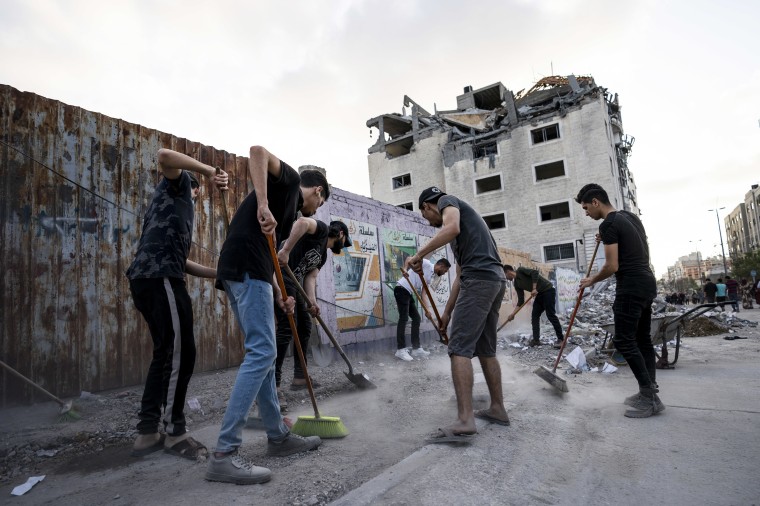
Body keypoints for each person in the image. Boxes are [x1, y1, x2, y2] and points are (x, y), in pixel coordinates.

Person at [205, 146, 328, 485]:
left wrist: (279, 292)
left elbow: (270, 252)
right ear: (318, 191)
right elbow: (257, 151)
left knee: (263, 352)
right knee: (263, 352)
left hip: (247, 270)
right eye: (321, 202)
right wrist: (261, 203)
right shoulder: (288, 184)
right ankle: (224, 454)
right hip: (246, 268)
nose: (317, 208)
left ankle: (277, 436)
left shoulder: (286, 213)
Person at [126, 148, 228, 459]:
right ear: (194, 188)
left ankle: (147, 433)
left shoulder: (166, 209)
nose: (197, 200)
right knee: (182, 354)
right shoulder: (179, 186)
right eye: (198, 195)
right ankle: (174, 432)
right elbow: (164, 155)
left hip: (151, 278)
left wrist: (219, 273)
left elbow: (181, 261)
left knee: (166, 354)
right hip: (161, 279)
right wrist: (210, 171)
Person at [406, 186, 509, 440]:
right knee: (485, 350)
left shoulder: (448, 202)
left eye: (426, 217)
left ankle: (465, 420)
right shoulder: (465, 231)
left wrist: (419, 254)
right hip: (493, 281)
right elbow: (460, 276)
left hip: (480, 281)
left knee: (459, 349)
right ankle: (497, 409)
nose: (430, 222)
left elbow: (450, 228)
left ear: (428, 206)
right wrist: (447, 314)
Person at [575, 184, 664, 418]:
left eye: (586, 208)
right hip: (646, 282)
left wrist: (591, 280)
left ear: (596, 202)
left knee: (624, 341)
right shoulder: (628, 217)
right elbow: (632, 245)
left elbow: (612, 266)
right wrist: (605, 235)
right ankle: (649, 392)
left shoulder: (610, 224)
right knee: (643, 339)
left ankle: (649, 397)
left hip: (631, 286)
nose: (586, 213)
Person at [274, 218, 351, 399]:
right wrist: (285, 251)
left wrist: (312, 302)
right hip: (279, 274)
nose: (342, 245)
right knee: (286, 327)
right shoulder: (322, 230)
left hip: (294, 282)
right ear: (341, 234)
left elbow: (311, 278)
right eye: (344, 241)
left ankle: (300, 377)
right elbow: (301, 222)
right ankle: (273, 384)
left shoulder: (323, 255)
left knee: (305, 327)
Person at [394, 258, 451, 361]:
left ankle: (416, 349)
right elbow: (409, 259)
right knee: (404, 318)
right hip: (401, 289)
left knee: (416, 318)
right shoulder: (426, 263)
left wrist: (427, 311)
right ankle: (400, 350)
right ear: (441, 266)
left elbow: (424, 294)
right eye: (445, 271)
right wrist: (406, 269)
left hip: (408, 292)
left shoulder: (429, 277)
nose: (444, 273)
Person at [502, 265, 564, 348]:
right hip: (539, 295)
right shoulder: (517, 284)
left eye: (504, 275)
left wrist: (534, 288)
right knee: (535, 316)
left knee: (550, 315)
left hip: (548, 290)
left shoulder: (520, 270)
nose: (505, 278)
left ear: (508, 272)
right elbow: (521, 301)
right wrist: (513, 314)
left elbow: (535, 272)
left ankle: (561, 339)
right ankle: (536, 340)